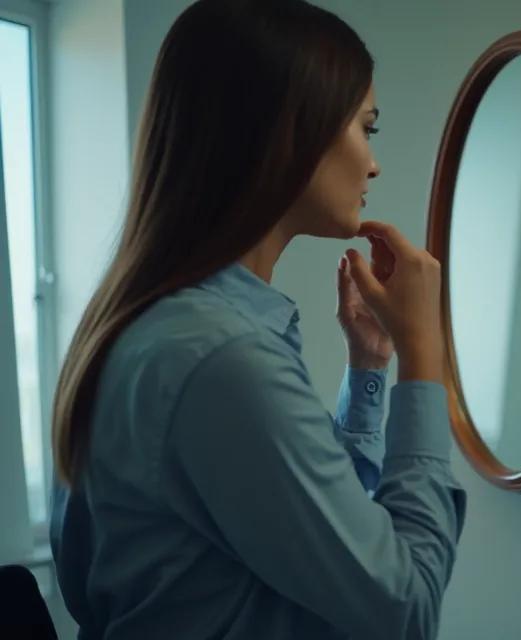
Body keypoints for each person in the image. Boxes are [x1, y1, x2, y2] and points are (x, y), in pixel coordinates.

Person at [48, 2, 466, 638]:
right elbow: (405, 607)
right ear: (288, 133)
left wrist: (371, 366)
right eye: (366, 128)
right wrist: (423, 353)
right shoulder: (222, 358)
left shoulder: (144, 325)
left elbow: (322, 527)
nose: (374, 164)